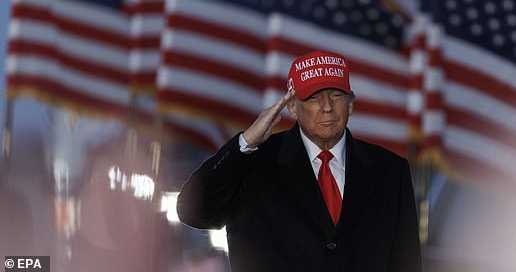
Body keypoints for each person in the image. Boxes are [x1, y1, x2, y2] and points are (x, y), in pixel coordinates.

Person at [177, 50, 422, 272]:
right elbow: (193, 211)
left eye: (336, 95)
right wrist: (246, 143)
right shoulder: (253, 163)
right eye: (314, 98)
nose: (327, 107)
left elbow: (407, 262)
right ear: (292, 107)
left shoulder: (390, 171)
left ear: (351, 104)